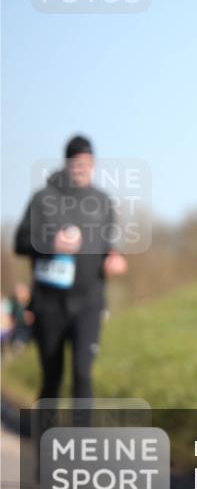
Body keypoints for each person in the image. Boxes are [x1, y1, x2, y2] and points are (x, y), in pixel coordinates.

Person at [14, 135, 127, 401]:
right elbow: (19, 242)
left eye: (87, 162)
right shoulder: (43, 199)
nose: (82, 168)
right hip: (49, 303)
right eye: (77, 162)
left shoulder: (102, 202)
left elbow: (108, 245)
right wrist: (49, 243)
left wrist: (113, 257)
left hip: (89, 303)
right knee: (52, 378)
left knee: (83, 375)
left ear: (94, 164)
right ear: (67, 164)